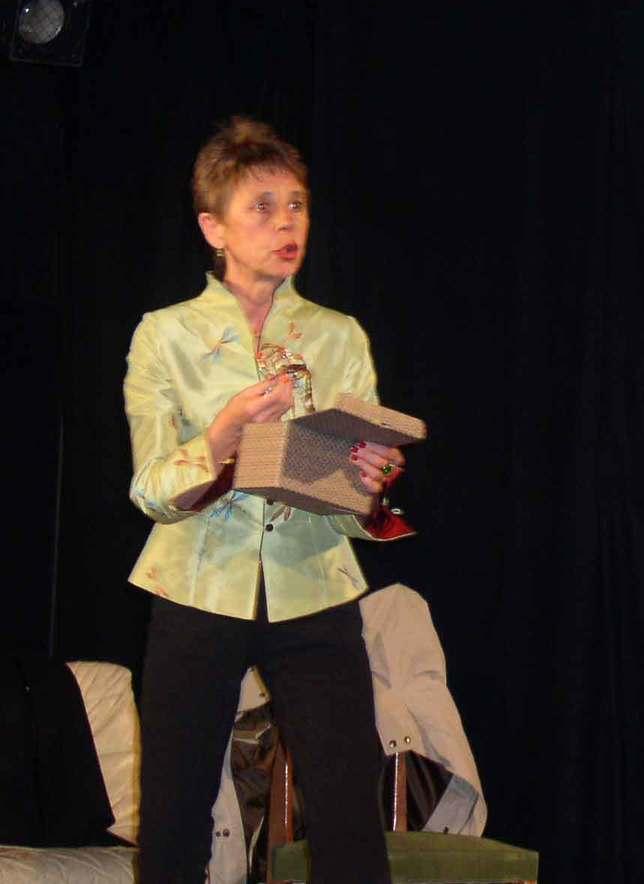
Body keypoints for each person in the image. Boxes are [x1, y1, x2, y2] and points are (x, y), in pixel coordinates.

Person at [124, 116, 408, 883]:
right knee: (173, 820)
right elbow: (151, 488)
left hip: (312, 587)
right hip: (194, 587)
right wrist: (223, 432)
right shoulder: (164, 335)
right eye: (263, 207)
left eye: (297, 205)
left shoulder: (337, 336)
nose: (287, 224)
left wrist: (368, 482)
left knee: (349, 821)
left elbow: (351, 508)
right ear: (213, 228)